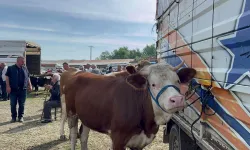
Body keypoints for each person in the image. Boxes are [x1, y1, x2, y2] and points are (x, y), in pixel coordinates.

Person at [5, 56, 32, 123]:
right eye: (22, 61)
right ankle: (13, 117)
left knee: (22, 104)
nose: (24, 62)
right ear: (18, 61)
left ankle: (20, 117)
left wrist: (30, 85)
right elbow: (7, 77)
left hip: (23, 89)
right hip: (13, 89)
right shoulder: (11, 68)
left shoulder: (25, 68)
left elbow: (28, 77)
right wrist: (8, 86)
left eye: (24, 61)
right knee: (13, 104)